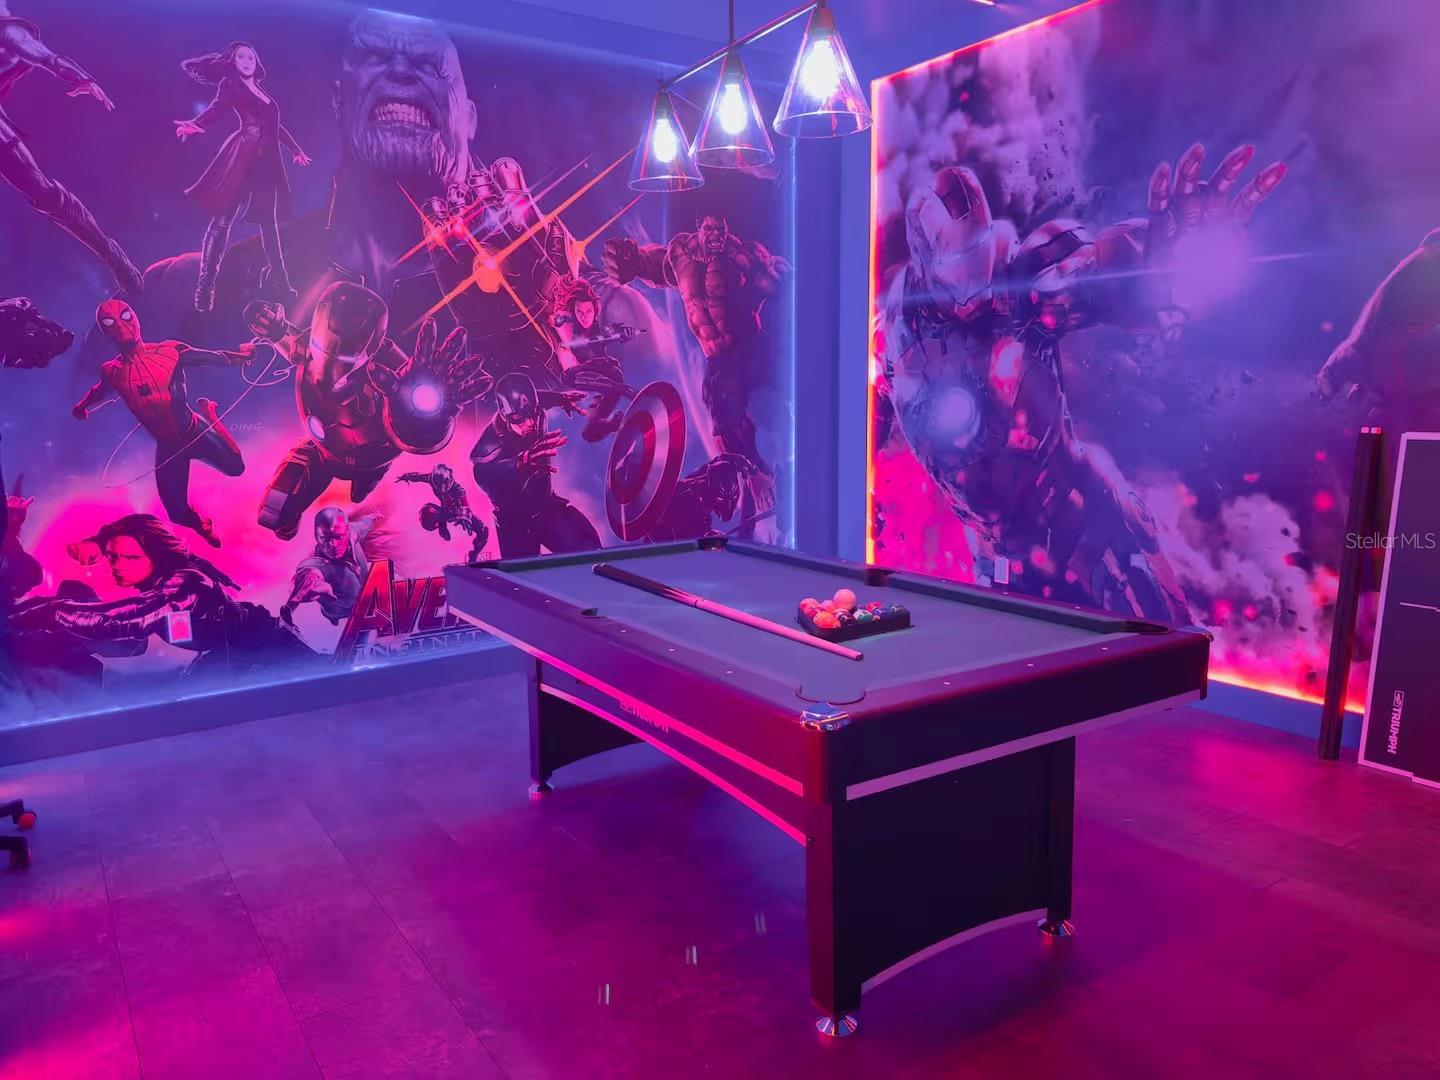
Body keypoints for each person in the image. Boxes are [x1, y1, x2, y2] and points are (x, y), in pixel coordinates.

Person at [604, 215, 787, 532]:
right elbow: (656, 267)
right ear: (699, 229)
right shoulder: (681, 254)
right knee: (725, 418)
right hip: (718, 359)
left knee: (783, 398)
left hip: (751, 346)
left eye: (722, 231)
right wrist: (632, 262)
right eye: (710, 230)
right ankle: (758, 481)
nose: (717, 237)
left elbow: (774, 279)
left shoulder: (741, 256)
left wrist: (779, 275)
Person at [11, 514, 313, 678]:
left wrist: (53, 611)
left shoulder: (182, 584)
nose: (117, 566)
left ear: (155, 555)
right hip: (228, 653)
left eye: (130, 558)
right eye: (112, 556)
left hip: (270, 646)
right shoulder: (161, 583)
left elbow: (125, 619)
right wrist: (96, 543)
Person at [73, 299, 249, 547]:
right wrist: (82, 406)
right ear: (105, 330)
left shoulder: (169, 351)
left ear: (136, 319)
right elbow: (99, 390)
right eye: (111, 322)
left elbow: (214, 357)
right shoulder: (112, 371)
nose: (122, 327)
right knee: (176, 513)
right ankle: (201, 525)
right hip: (169, 448)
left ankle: (212, 415)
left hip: (194, 431)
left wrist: (242, 356)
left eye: (125, 317)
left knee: (236, 467)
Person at [0, 2, 141, 291]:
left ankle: (110, 254)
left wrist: (81, 78)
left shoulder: (10, 34)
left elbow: (46, 58)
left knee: (44, 194)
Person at [175, 41, 311, 312]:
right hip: (244, 157)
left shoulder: (261, 91)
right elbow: (217, 108)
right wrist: (196, 124)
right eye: (241, 57)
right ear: (233, 62)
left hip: (268, 163)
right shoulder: (231, 85)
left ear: (256, 62)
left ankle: (281, 283)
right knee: (223, 220)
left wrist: (295, 149)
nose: (247, 61)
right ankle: (205, 288)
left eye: (251, 57)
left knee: (269, 223)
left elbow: (274, 127)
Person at [470, 371, 595, 557]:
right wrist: (520, 464)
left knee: (589, 547)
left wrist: (560, 399)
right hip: (515, 523)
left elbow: (536, 400)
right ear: (504, 415)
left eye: (533, 413)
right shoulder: (489, 446)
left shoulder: (532, 410)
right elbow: (484, 475)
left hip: (546, 506)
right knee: (524, 571)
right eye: (519, 419)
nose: (529, 423)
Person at [551, 276, 640, 443]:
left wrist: (624, 334)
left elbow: (613, 333)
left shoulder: (601, 332)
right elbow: (559, 320)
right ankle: (618, 422)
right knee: (590, 432)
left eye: (588, 312)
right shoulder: (572, 328)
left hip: (608, 372)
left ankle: (625, 391)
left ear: (595, 311)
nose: (584, 317)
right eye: (580, 312)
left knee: (569, 376)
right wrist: (559, 319)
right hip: (598, 382)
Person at [281, 507, 374, 626]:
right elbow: (307, 576)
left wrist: (373, 517)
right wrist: (289, 608)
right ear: (316, 536)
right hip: (337, 608)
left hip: (363, 597)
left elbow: (365, 524)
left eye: (338, 537)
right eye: (325, 538)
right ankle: (332, 617)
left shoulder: (353, 533)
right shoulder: (318, 562)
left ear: (347, 532)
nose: (333, 545)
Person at [397, 464, 489, 564]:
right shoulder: (430, 478)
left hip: (458, 512)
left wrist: (464, 518)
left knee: (483, 531)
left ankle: (474, 555)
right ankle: (442, 525)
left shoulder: (459, 490)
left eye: (445, 483)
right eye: (439, 484)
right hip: (445, 511)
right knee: (428, 511)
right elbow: (418, 477)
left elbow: (464, 504)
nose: (443, 487)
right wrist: (406, 477)